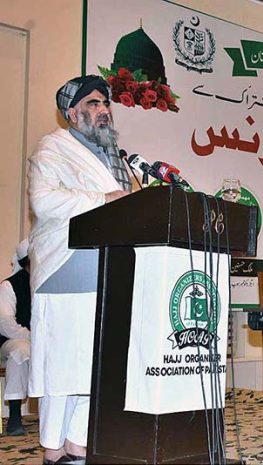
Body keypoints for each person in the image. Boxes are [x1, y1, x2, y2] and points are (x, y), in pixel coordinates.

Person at [28, 75, 130, 464]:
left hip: (105, 271)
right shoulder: (53, 148)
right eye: (92, 103)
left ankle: (77, 447)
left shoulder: (114, 155)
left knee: (93, 368)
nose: (103, 110)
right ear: (72, 113)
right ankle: (53, 451)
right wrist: (105, 198)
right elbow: (44, 201)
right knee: (61, 369)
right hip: (64, 272)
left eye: (105, 102)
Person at [0, 240, 31, 436]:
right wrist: (35, 337)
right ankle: (14, 416)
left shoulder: (47, 284)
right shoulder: (9, 286)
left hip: (43, 342)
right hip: (9, 342)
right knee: (21, 350)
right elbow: (6, 325)